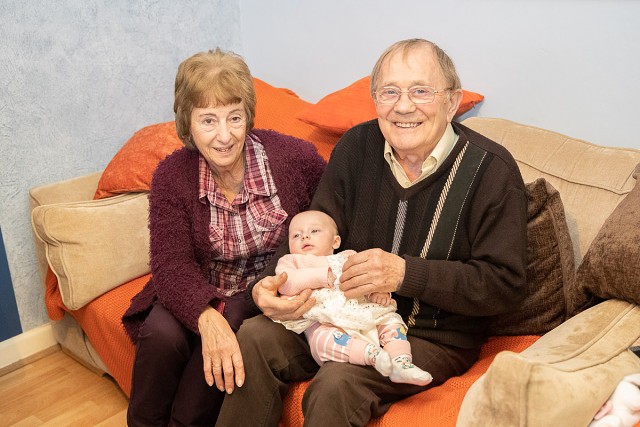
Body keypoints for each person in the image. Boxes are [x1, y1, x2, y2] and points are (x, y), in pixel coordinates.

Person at [216, 38, 528, 426]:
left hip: (430, 336)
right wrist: (268, 286)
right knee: (254, 336)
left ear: (451, 102)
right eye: (390, 92)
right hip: (339, 313)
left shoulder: (491, 171)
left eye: (421, 91)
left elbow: (505, 285)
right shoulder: (357, 147)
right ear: (375, 100)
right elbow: (316, 226)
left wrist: (405, 274)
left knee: (336, 383)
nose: (403, 106)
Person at [121, 47, 326, 426]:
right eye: (208, 120)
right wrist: (205, 314)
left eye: (234, 117)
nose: (224, 136)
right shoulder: (172, 175)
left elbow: (333, 211)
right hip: (196, 288)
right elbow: (170, 265)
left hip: (258, 297)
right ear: (187, 122)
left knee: (224, 337)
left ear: (248, 115)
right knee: (161, 335)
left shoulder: (294, 158)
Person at [274, 210, 432, 386]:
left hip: (361, 310)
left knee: (391, 321)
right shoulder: (291, 261)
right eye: (296, 235)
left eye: (314, 231)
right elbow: (285, 283)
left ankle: (401, 362)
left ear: (335, 241)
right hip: (326, 321)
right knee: (321, 342)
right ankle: (372, 354)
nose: (305, 237)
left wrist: (377, 293)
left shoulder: (348, 257)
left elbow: (366, 278)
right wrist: (321, 276)